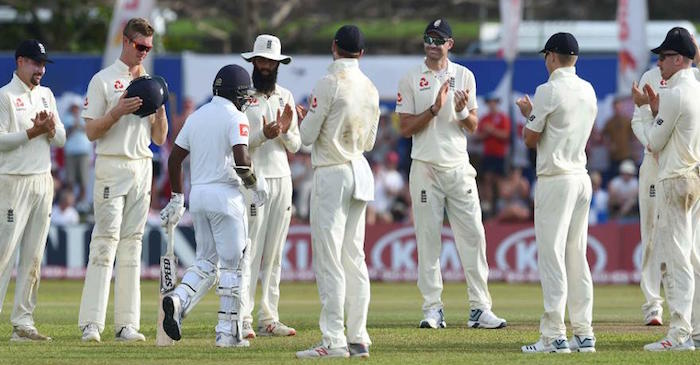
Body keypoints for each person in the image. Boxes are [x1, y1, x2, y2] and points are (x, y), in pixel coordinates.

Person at [395, 18, 506, 331]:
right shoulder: (411, 78)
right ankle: (432, 309)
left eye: (438, 39)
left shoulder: (464, 76)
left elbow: (473, 126)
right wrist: (433, 109)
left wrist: (458, 111)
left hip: (458, 167)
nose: (432, 44)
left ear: (449, 45)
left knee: (473, 236)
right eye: (428, 38)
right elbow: (404, 128)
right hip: (425, 167)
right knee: (428, 240)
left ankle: (480, 309)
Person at [160, 64, 268, 348]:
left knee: (206, 262)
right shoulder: (235, 117)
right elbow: (242, 161)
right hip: (226, 196)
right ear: (236, 94)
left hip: (199, 196)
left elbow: (174, 160)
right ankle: (227, 334)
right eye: (245, 95)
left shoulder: (197, 116)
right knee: (235, 265)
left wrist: (177, 197)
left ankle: (178, 298)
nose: (247, 100)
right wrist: (256, 186)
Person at [78, 17, 168, 342]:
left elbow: (159, 137)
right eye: (140, 46)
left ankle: (127, 325)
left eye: (149, 48)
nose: (145, 52)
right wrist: (116, 112)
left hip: (142, 165)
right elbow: (90, 132)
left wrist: (160, 110)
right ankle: (91, 324)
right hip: (111, 165)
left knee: (133, 244)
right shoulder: (102, 80)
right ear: (126, 42)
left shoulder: (151, 80)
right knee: (104, 243)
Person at [293, 25, 379, 359]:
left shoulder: (329, 83)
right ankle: (358, 338)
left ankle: (334, 341)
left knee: (330, 258)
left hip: (332, 172)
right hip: (359, 169)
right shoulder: (370, 87)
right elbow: (370, 142)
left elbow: (306, 137)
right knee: (354, 258)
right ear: (361, 53)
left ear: (333, 48)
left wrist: (302, 121)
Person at [516, 32, 597, 353]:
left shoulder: (547, 90)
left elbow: (529, 138)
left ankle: (553, 336)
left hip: (556, 178)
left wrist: (528, 114)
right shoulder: (588, 89)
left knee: (552, 258)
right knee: (576, 257)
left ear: (551, 57)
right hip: (581, 177)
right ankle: (584, 333)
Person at [633, 27, 700, 351]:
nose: (659, 63)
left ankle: (680, 335)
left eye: (663, 57)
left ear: (678, 59)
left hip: (674, 179)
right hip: (693, 176)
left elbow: (653, 141)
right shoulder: (697, 90)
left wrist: (647, 109)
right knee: (693, 256)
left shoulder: (674, 94)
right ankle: (696, 331)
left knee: (678, 260)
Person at [0, 39, 65, 341]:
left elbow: (61, 139)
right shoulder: (5, 96)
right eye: (36, 63)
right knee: (5, 254)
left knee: (34, 256)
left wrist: (49, 129)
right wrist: (32, 132)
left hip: (42, 180)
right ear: (20, 62)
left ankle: (23, 323)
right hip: (13, 181)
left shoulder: (47, 95)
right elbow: (1, 140)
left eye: (43, 65)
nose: (41, 70)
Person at [238, 34, 300, 339]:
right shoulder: (242, 97)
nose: (265, 66)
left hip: (282, 178)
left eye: (271, 62)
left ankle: (269, 317)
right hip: (253, 180)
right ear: (253, 62)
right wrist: (263, 134)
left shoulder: (286, 96)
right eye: (261, 60)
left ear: (278, 64)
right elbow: (236, 144)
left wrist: (285, 132)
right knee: (250, 249)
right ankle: (243, 316)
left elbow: (297, 145)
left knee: (274, 253)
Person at [62, 100, 92, 210]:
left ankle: (82, 203)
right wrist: (75, 124)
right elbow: (66, 134)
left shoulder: (85, 117)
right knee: (70, 180)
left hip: (84, 152)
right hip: (70, 153)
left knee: (83, 180)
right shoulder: (66, 118)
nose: (75, 109)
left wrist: (79, 123)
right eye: (73, 107)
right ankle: (70, 202)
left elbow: (89, 130)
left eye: (76, 107)